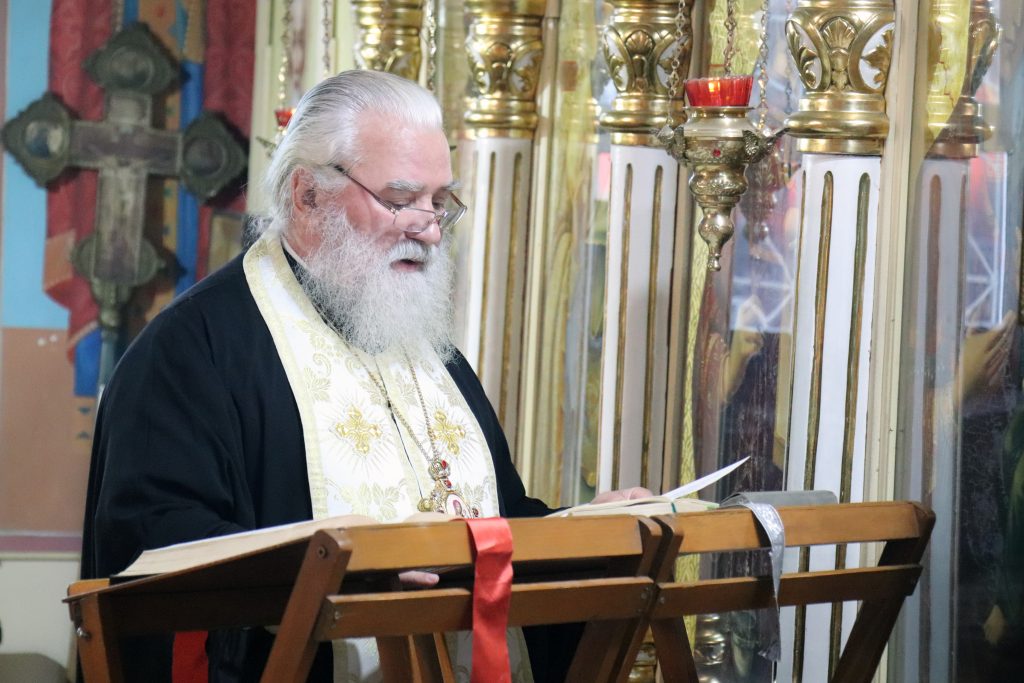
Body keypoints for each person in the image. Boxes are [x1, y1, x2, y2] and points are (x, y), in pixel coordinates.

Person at [81, 69, 647, 682]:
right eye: (401, 199)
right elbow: (156, 547)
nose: (429, 227)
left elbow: (493, 516)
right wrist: (344, 570)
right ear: (307, 195)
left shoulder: (428, 349)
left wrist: (582, 536)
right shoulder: (193, 351)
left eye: (439, 202)